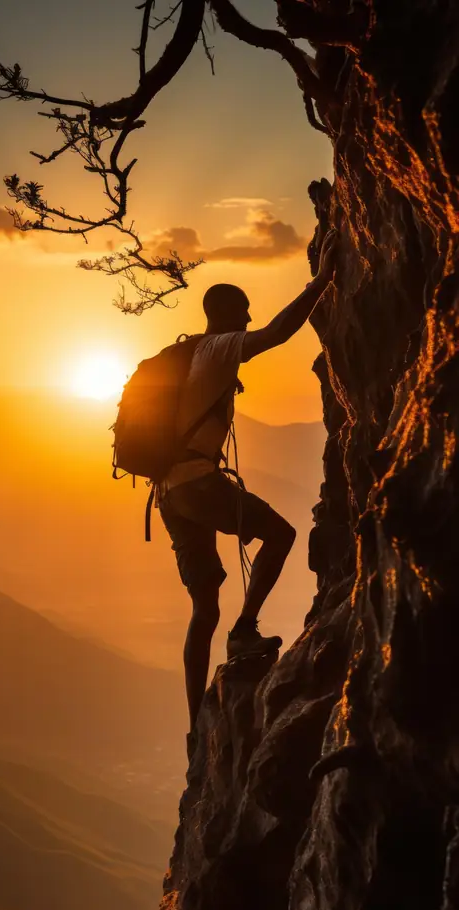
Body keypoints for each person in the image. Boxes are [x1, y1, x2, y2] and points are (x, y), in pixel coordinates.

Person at [158, 229, 337, 730]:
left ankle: (196, 719)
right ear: (227, 313)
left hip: (169, 495)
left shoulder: (189, 353)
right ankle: (245, 630)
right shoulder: (219, 347)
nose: (250, 318)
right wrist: (321, 281)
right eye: (245, 310)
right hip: (198, 484)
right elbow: (277, 333)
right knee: (280, 534)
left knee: (202, 607)